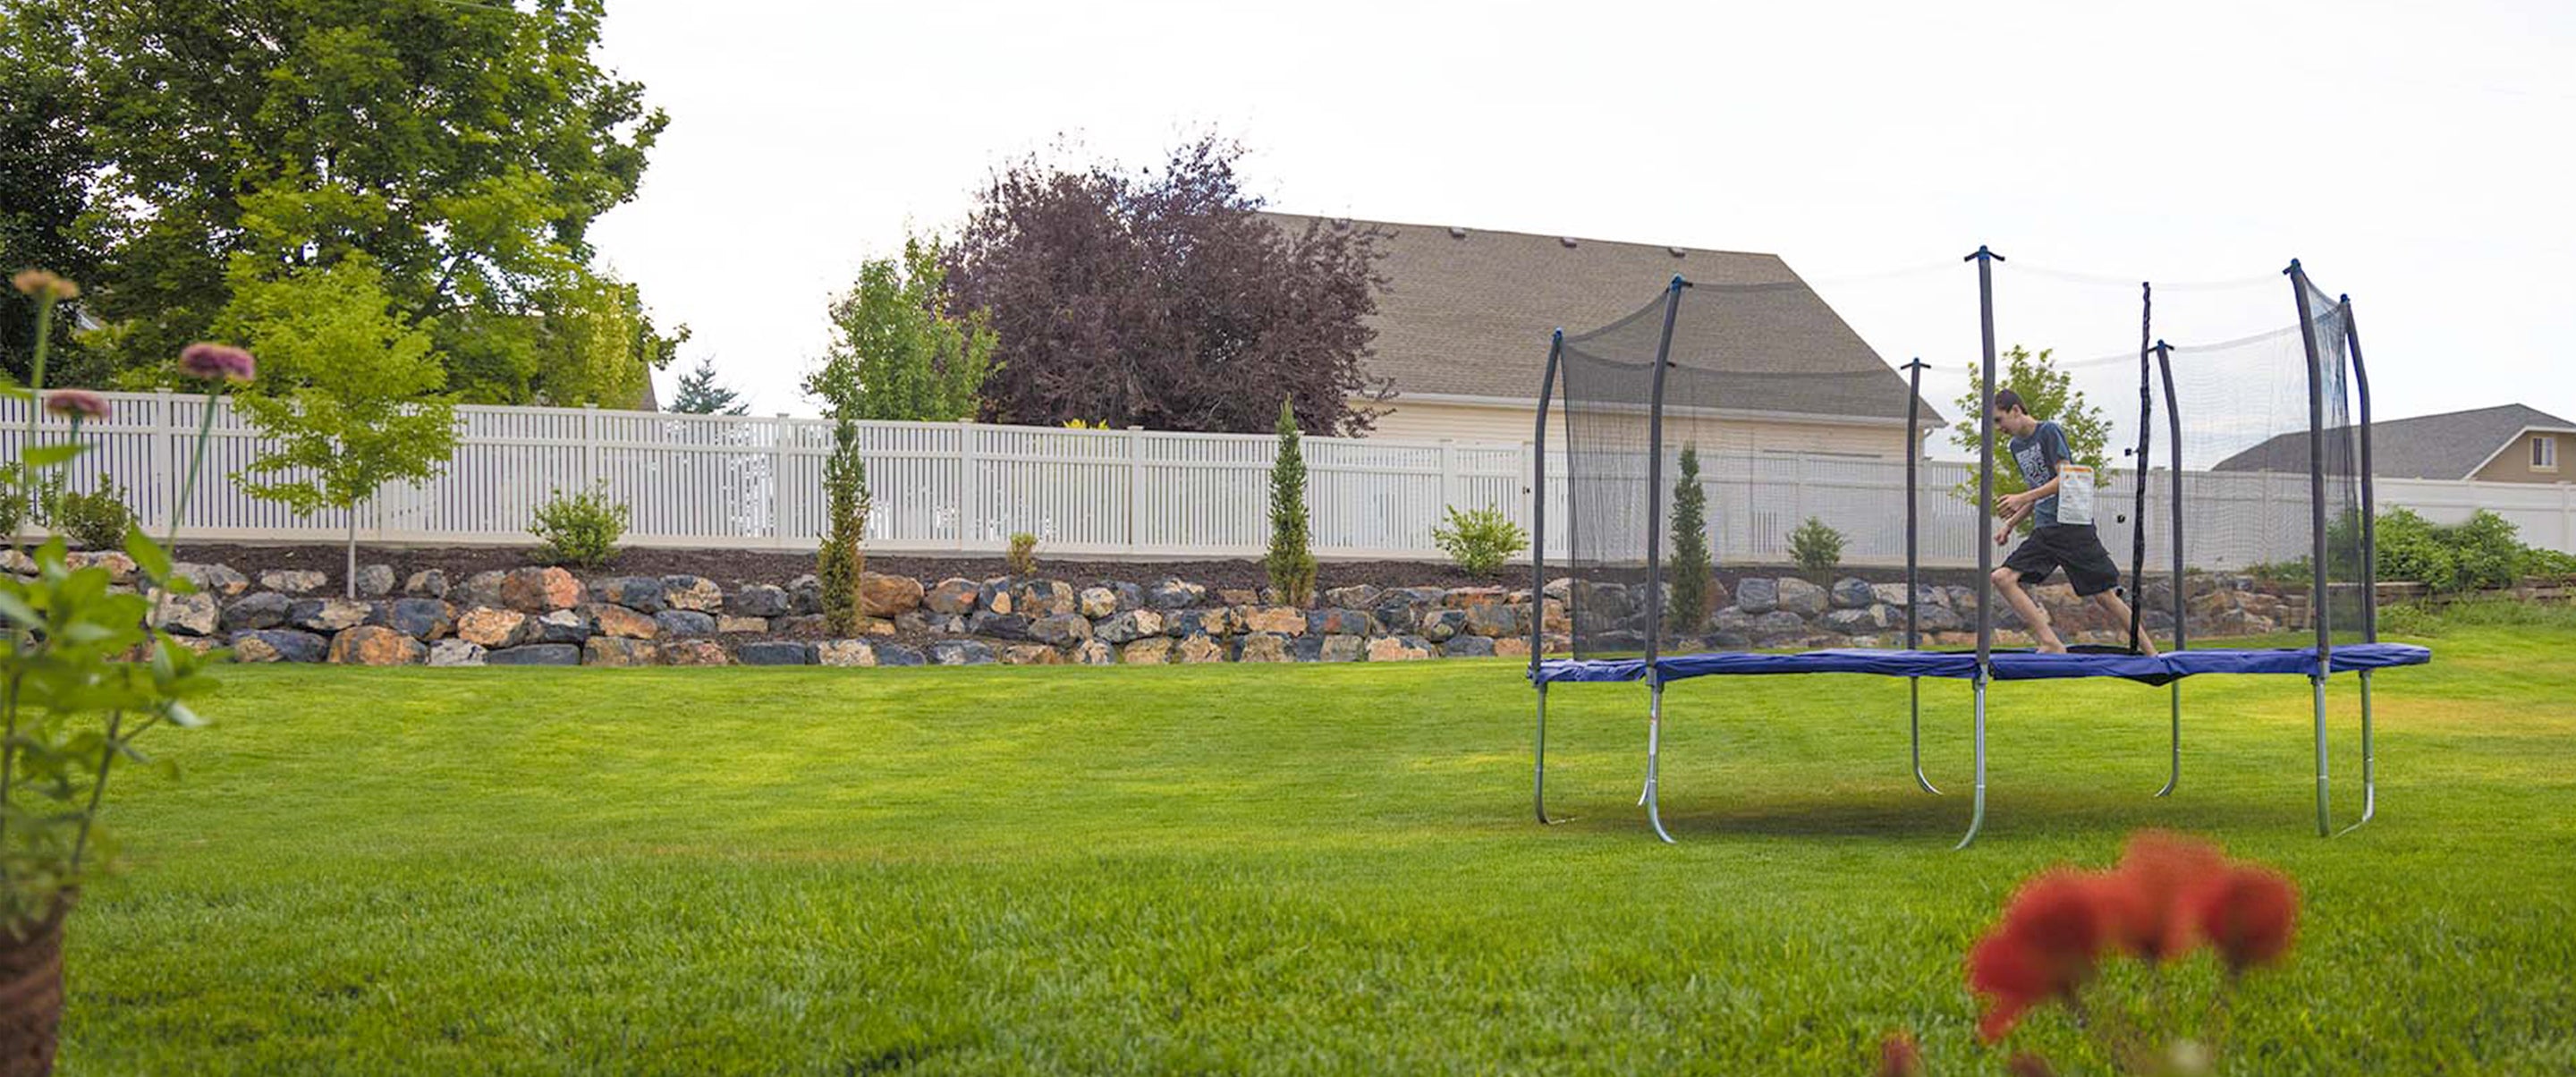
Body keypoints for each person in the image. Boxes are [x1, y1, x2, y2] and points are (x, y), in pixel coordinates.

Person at [1987, 389, 2156, 656]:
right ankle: (2051, 642)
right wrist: (2011, 523)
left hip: (2071, 526)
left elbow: (2065, 477)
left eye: (1999, 420)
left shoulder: (2048, 432)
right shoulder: (2016, 447)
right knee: (2003, 578)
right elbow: (2039, 489)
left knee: (2104, 596)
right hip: (2046, 529)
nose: (1999, 429)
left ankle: (2152, 654)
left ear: (2016, 410)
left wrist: (2021, 497)